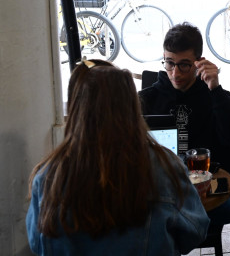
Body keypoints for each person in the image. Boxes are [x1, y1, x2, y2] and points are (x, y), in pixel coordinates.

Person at [27, 59, 209, 255]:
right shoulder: (166, 166)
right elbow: (195, 233)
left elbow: (37, 244)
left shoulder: (47, 176)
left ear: (76, 108)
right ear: (132, 106)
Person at [138, 23, 230, 255]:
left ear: (199, 62)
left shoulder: (213, 96)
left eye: (184, 65)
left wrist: (215, 89)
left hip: (209, 201)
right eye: (169, 63)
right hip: (162, 202)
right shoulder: (147, 100)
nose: (175, 73)